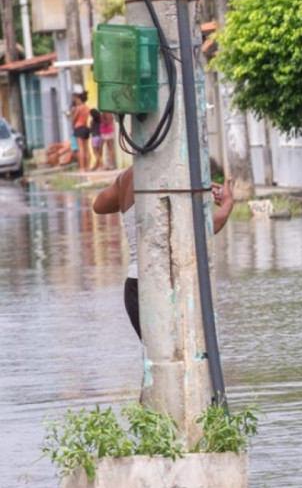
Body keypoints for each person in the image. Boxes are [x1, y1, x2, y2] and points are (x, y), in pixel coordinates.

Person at [92, 167, 234, 339]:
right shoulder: (164, 172)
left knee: (158, 360)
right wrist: (227, 204)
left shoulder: (126, 177)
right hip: (163, 285)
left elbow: (99, 205)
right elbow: (202, 230)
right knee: (182, 357)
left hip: (134, 286)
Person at [70, 93, 92, 172]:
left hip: (79, 127)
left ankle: (82, 168)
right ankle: (88, 167)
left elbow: (74, 119)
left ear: (80, 99)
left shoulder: (79, 108)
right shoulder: (87, 108)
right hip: (85, 127)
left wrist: (72, 113)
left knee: (81, 148)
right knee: (87, 148)